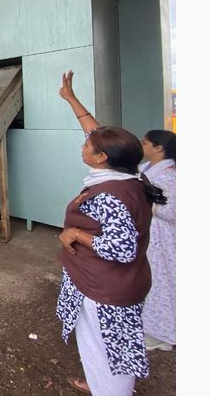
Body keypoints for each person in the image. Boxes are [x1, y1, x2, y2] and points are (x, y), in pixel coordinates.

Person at [55, 71, 165, 395]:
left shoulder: (111, 194)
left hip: (104, 288)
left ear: (102, 158)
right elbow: (97, 132)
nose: (84, 143)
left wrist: (76, 233)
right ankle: (103, 385)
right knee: (106, 348)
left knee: (107, 351)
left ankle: (111, 390)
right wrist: (71, 99)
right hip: (114, 284)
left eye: (88, 145)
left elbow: (121, 248)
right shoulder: (131, 174)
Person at [140, 129, 176, 352]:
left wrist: (143, 202)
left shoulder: (169, 176)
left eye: (145, 143)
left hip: (163, 237)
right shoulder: (148, 168)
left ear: (159, 148)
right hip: (149, 233)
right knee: (149, 279)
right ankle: (153, 326)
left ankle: (162, 332)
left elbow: (172, 210)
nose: (141, 146)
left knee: (161, 281)